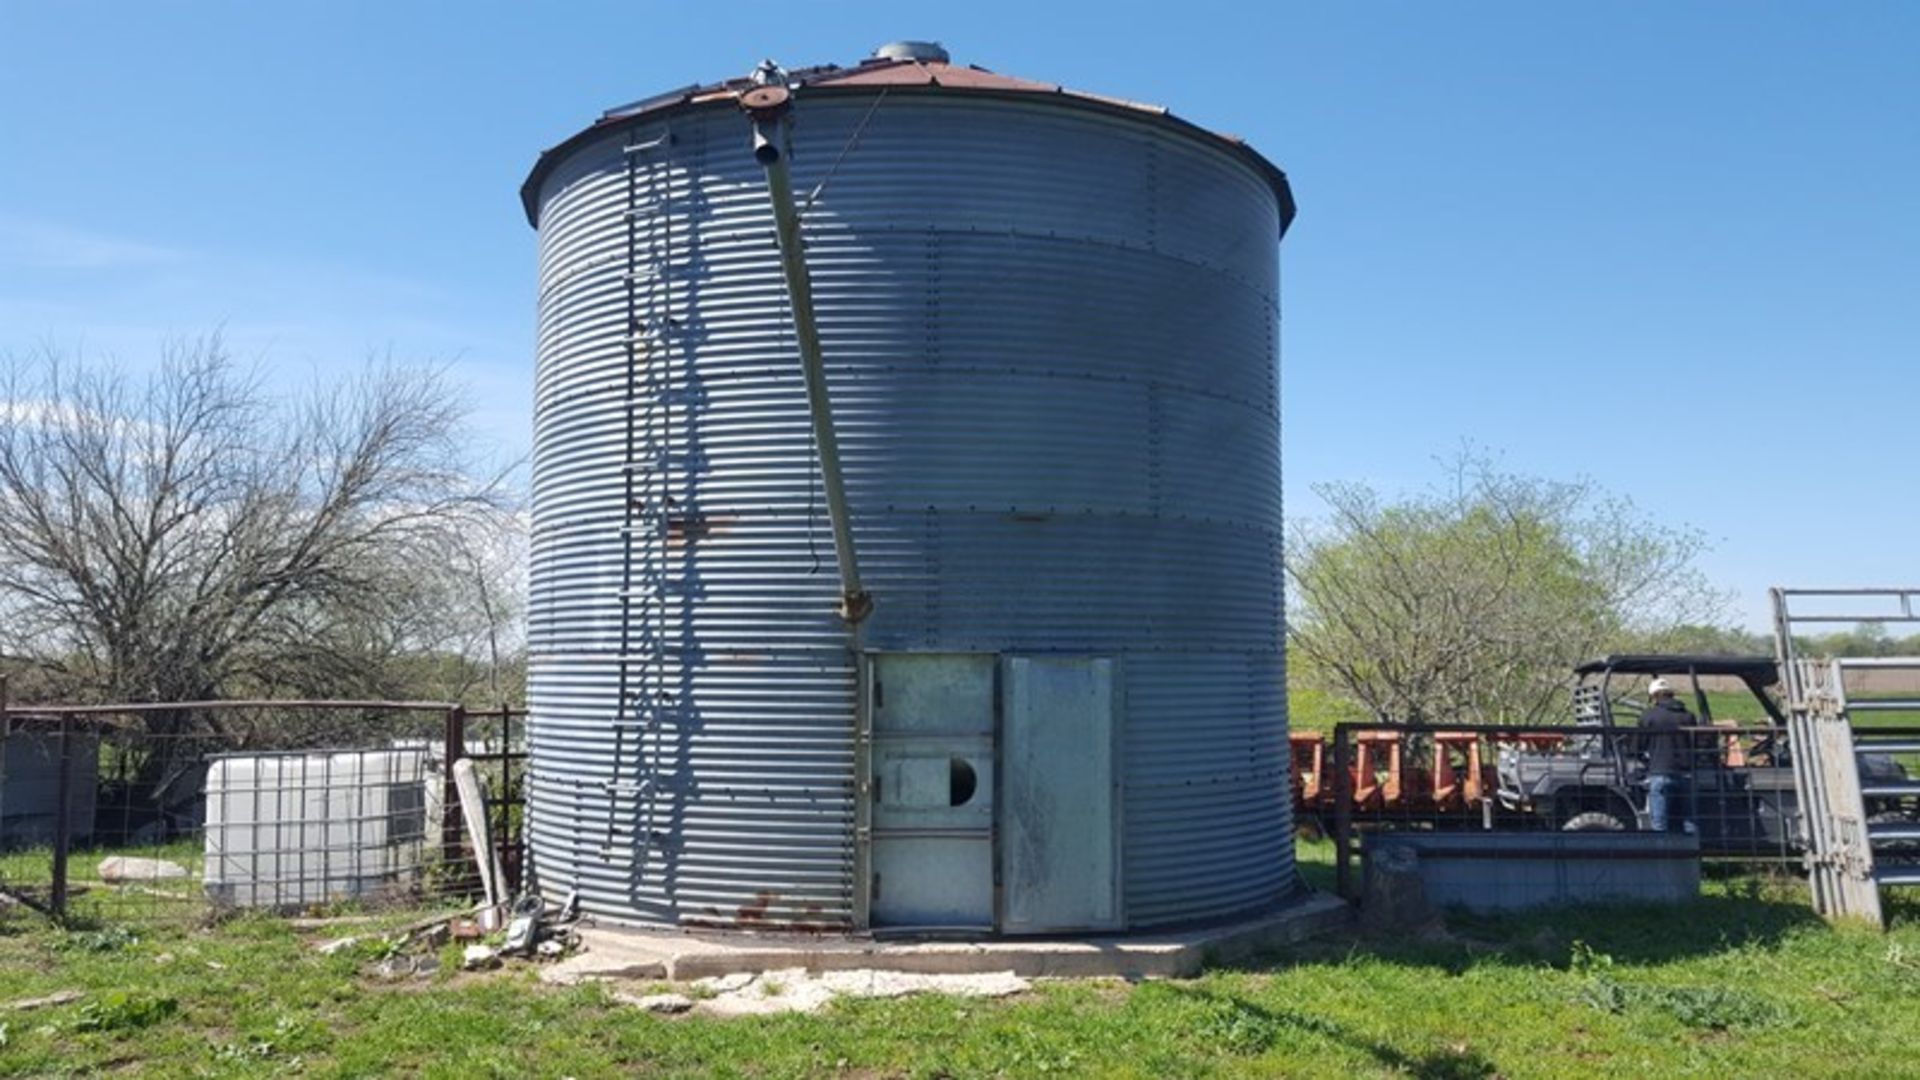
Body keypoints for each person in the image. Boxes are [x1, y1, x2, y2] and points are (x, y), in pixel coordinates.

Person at [1637, 677, 1695, 833]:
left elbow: (1636, 747)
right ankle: (1691, 854)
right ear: (1671, 694)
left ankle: (1662, 854)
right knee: (1689, 821)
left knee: (1659, 823)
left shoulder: (1648, 716)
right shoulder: (1688, 716)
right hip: (1686, 773)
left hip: (1659, 772)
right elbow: (1697, 743)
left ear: (1653, 696)